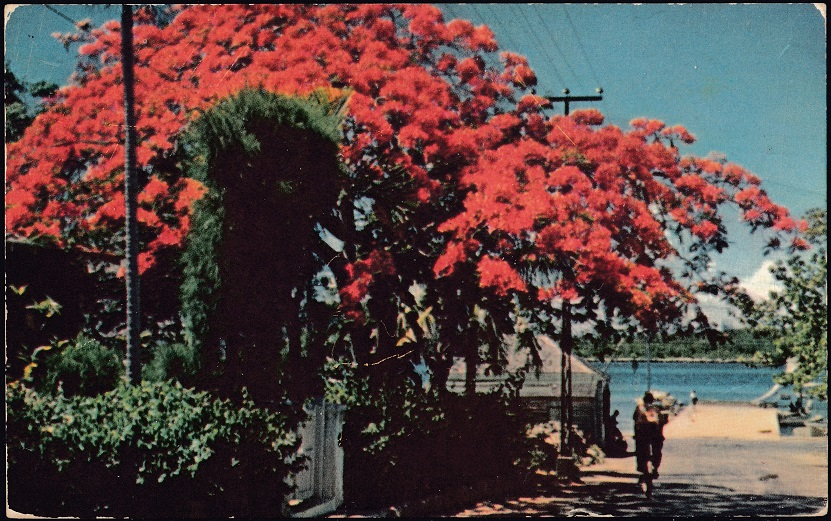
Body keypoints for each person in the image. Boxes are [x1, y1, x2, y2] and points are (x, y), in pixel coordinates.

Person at [633, 391, 665, 481]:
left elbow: (635, 422)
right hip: (654, 431)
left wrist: (636, 434)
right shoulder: (656, 409)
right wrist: (661, 434)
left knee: (641, 451)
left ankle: (644, 470)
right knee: (657, 451)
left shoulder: (639, 408)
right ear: (652, 400)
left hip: (643, 431)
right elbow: (661, 422)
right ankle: (655, 468)